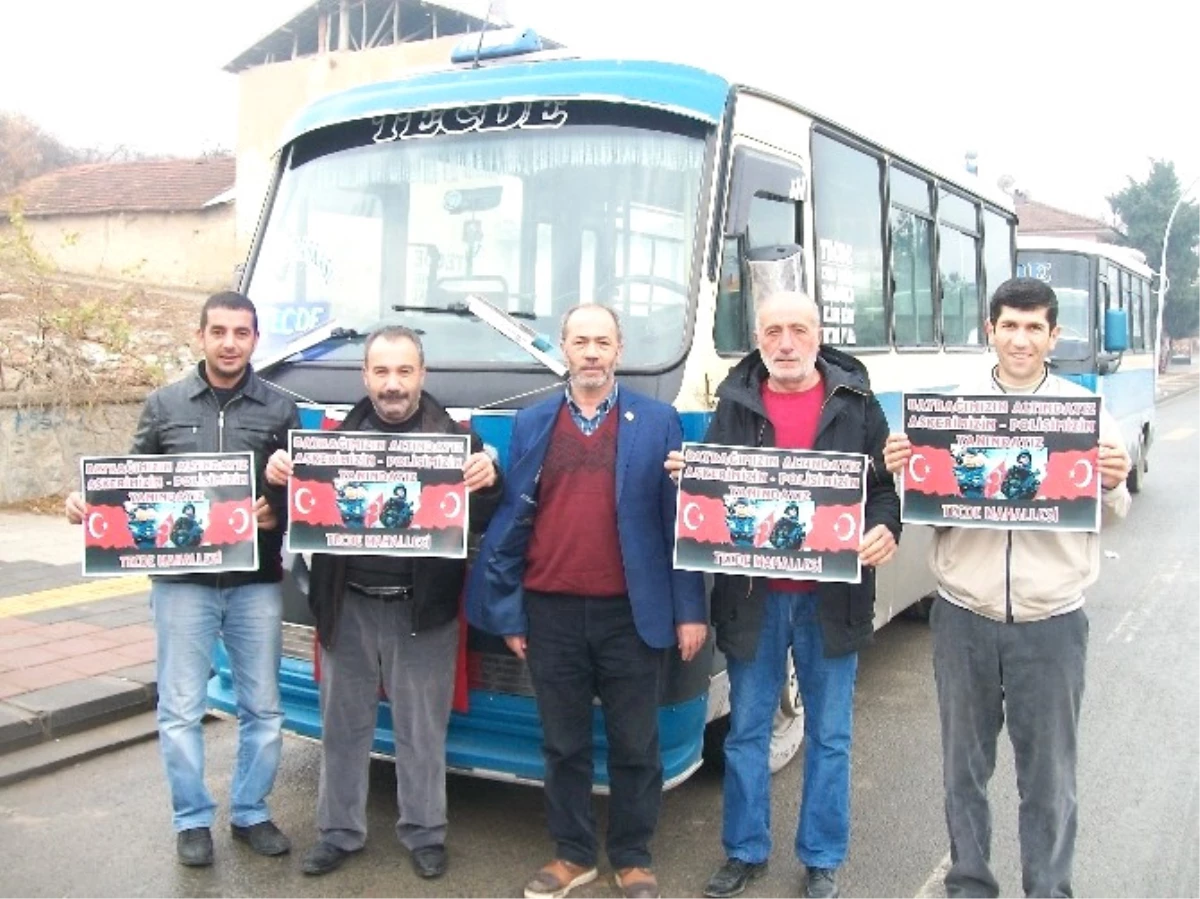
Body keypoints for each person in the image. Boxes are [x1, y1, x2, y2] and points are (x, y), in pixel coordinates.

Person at [883, 277, 1132, 899]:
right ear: (989, 330)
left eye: (1034, 327)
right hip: (965, 616)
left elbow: (1115, 509)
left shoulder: (1088, 416)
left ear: (1054, 335)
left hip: (1053, 623)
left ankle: (1048, 888)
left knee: (1049, 778)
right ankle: (969, 884)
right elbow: (932, 512)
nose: (1021, 339)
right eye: (1009, 326)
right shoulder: (947, 412)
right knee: (963, 770)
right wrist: (909, 473)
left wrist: (1112, 480)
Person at [467, 304, 707, 899]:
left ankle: (632, 857)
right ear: (565, 351)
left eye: (603, 341)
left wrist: (689, 609)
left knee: (634, 742)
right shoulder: (533, 422)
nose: (592, 352)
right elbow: (515, 517)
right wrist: (513, 610)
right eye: (581, 342)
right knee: (563, 743)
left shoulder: (658, 421)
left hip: (631, 613)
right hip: (550, 611)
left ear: (618, 350)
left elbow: (675, 522)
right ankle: (573, 855)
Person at [667, 290, 900, 899]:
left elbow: (881, 489)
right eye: (773, 331)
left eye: (798, 329)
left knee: (830, 734)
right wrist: (693, 479)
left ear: (819, 334)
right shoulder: (736, 402)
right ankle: (745, 851)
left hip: (832, 599)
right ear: (758, 338)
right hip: (755, 597)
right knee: (746, 731)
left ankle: (822, 857)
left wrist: (886, 527)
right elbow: (716, 489)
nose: (786, 343)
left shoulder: (855, 401)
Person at [65, 291, 300, 867]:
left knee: (264, 707)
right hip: (182, 585)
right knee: (180, 709)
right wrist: (89, 504)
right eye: (218, 331)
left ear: (255, 339)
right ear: (201, 337)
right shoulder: (164, 404)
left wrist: (277, 508)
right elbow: (130, 484)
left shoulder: (280, 408)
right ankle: (192, 819)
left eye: (241, 333)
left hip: (255, 581)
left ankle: (250, 812)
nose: (229, 343)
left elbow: (307, 495)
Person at [264, 325, 501, 880]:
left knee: (422, 732)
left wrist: (491, 480)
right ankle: (338, 833)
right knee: (342, 729)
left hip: (422, 612)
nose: (392, 384)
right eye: (381, 372)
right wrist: (276, 479)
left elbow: (488, 516)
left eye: (404, 371)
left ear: (422, 374)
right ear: (365, 376)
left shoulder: (456, 443)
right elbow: (298, 514)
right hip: (347, 608)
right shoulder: (330, 441)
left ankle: (424, 834)